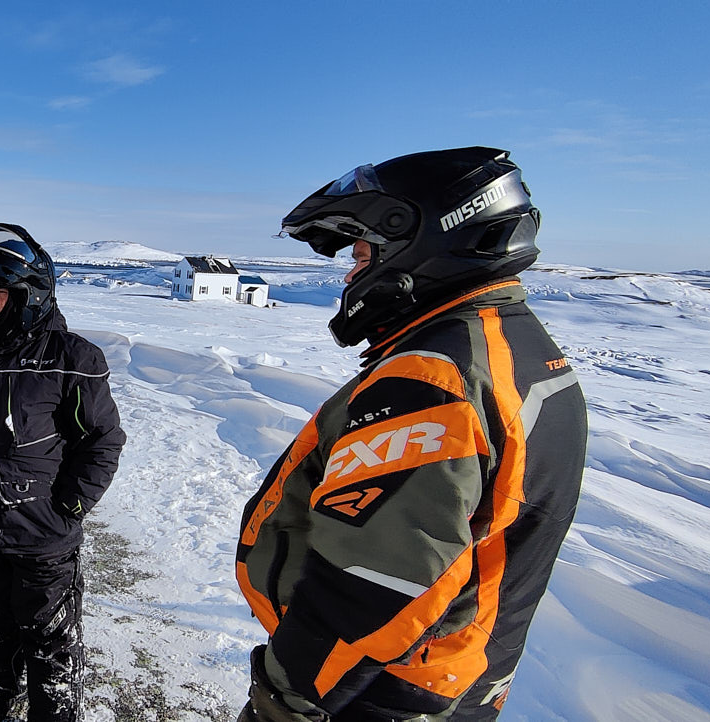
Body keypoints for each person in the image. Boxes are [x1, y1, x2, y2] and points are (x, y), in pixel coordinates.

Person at [234, 147, 587, 721]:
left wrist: (282, 701)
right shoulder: (516, 348)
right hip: (459, 672)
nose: (351, 273)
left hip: (375, 689)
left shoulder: (430, 380)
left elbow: (370, 583)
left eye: (362, 254)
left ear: (419, 246)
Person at [0, 223, 126, 722]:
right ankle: (2, 682)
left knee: (48, 634)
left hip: (43, 534)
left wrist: (70, 506)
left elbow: (102, 439)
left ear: (30, 295)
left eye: (0, 293)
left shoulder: (74, 357)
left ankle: (52, 712)